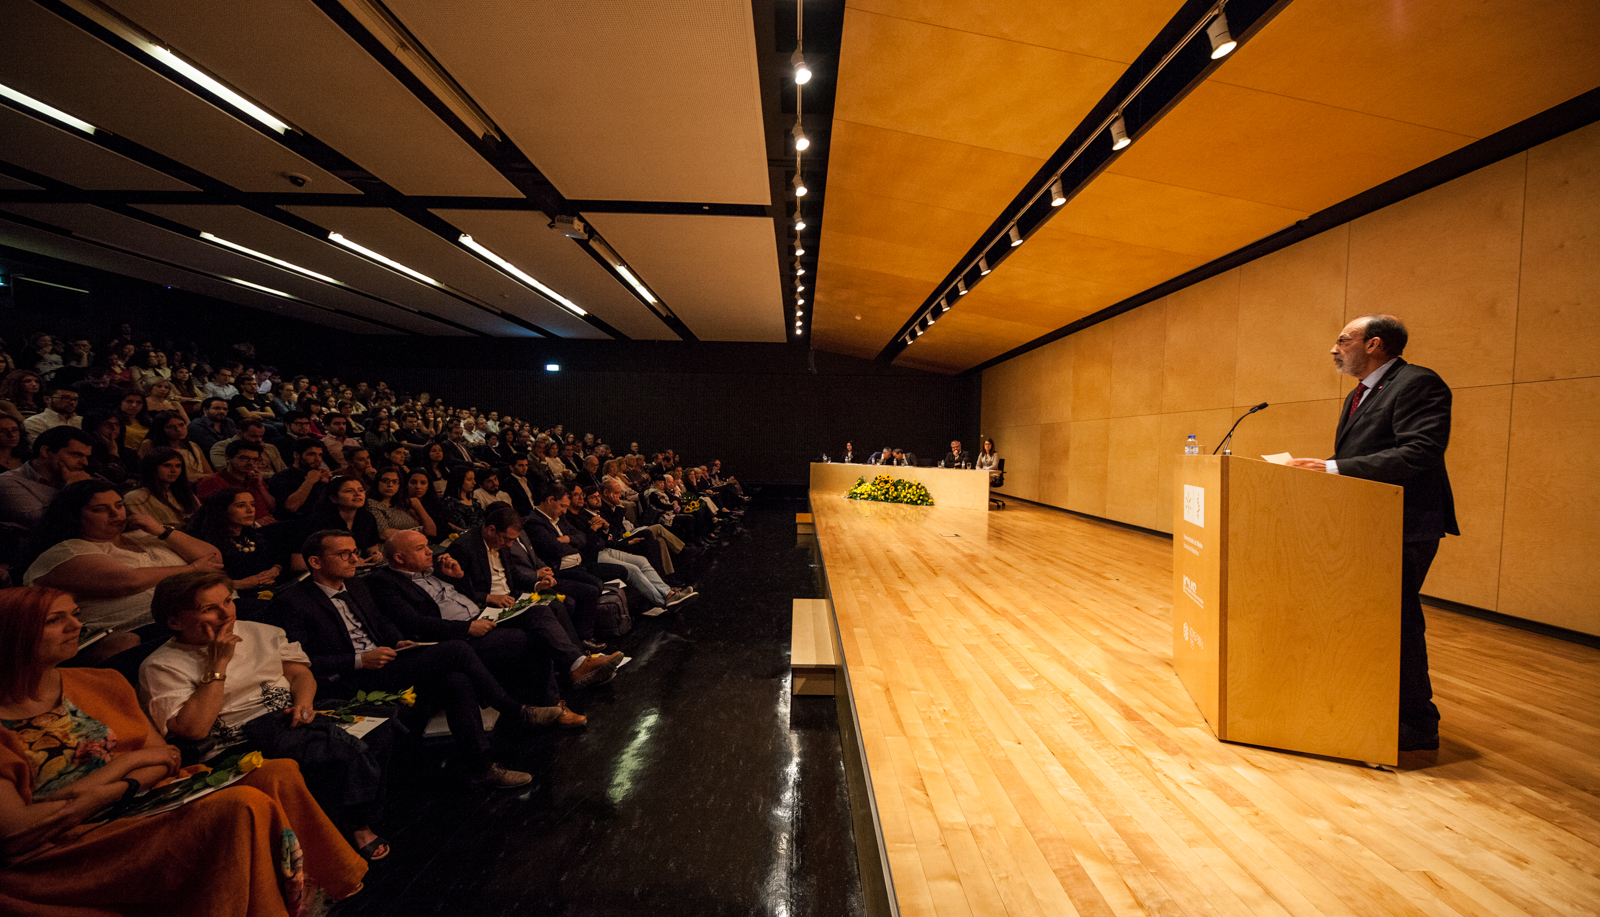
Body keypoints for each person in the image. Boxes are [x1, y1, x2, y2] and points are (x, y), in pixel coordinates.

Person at [0, 586, 367, 912]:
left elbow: (165, 758)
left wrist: (114, 779)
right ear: (13, 634)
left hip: (134, 796)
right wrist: (118, 780)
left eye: (76, 615)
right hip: (69, 840)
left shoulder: (102, 681)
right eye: (54, 620)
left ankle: (312, 891)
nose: (75, 627)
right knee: (243, 804)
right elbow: (16, 831)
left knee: (278, 771)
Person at [1287, 314, 1458, 753]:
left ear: (1375, 344)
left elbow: (1419, 451)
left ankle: (1417, 725)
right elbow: (1362, 453)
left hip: (1405, 523)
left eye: (1344, 339)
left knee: (1397, 621)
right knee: (1371, 620)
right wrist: (1320, 467)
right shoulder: (1359, 394)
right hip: (1367, 521)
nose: (1334, 348)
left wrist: (1333, 467)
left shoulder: (1418, 383)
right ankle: (1373, 704)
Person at [138, 571, 392, 861]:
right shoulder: (160, 666)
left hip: (292, 718)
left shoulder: (260, 631)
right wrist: (218, 662)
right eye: (209, 609)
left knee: (380, 725)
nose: (226, 614)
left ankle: (350, 819)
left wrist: (305, 704)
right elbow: (194, 729)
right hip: (240, 742)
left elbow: (299, 674)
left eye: (227, 601)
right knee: (331, 753)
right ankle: (349, 829)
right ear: (174, 621)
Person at [270, 531, 540, 788]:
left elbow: (379, 620)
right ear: (316, 562)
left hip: (387, 659)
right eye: (344, 554)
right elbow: (303, 661)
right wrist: (359, 660)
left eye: (354, 552)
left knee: (456, 681)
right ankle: (514, 709)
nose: (355, 559)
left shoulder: (354, 583)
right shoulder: (293, 602)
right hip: (351, 677)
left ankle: (482, 768)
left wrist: (398, 640)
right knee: (456, 649)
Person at [369, 531, 617, 701]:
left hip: (483, 616)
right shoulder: (386, 582)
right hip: (459, 633)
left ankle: (576, 665)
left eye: (427, 546)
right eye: (420, 548)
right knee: (529, 638)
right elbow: (414, 622)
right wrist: (466, 628)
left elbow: (463, 594)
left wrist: (456, 576)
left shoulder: (432, 570)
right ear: (400, 558)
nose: (428, 552)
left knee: (539, 609)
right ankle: (552, 703)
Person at [23, 480, 225, 661]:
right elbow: (127, 582)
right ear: (74, 516)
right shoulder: (67, 550)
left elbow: (214, 558)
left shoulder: (143, 535)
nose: (115, 513)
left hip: (196, 616)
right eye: (100, 509)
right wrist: (192, 569)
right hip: (139, 629)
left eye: (119, 505)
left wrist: (162, 531)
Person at [185, 488, 285, 593]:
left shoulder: (252, 534)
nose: (250, 510)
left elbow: (278, 556)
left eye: (252, 504)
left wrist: (276, 569)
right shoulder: (207, 542)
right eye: (241, 505)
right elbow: (204, 580)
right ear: (222, 510)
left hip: (273, 588)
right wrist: (242, 584)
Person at [0, 425, 94, 528]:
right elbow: (44, 522)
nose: (85, 463)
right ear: (45, 451)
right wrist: (74, 489)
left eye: (86, 457)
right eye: (76, 455)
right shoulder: (8, 481)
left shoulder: (78, 475)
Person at [291, 476, 382, 569]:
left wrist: (374, 555)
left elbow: (372, 546)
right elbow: (298, 563)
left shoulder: (367, 517)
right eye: (349, 491)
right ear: (334, 498)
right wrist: (348, 563)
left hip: (359, 571)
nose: (357, 494)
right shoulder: (317, 521)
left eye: (361, 490)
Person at [196, 440, 278, 525]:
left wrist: (260, 486)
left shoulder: (254, 479)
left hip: (270, 524)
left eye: (255, 459)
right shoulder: (212, 482)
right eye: (244, 458)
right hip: (244, 530)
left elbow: (273, 508)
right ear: (228, 458)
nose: (250, 463)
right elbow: (213, 517)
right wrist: (254, 523)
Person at [124, 448, 203, 527]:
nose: (174, 470)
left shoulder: (184, 492)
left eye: (178, 466)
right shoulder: (135, 497)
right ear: (152, 468)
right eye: (167, 465)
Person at [138, 411, 213, 483]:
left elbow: (209, 473)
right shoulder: (149, 444)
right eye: (171, 427)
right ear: (161, 429)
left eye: (181, 425)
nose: (178, 429)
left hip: (198, 484)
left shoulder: (193, 446)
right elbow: (145, 472)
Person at [268, 439, 332, 522]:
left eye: (320, 455)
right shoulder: (281, 478)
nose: (317, 459)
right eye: (311, 454)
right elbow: (291, 507)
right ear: (296, 455)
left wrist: (326, 483)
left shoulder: (322, 476)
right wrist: (309, 481)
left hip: (321, 521)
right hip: (295, 523)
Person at [367, 466, 437, 540]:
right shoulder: (372, 504)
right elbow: (385, 534)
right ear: (377, 482)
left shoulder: (401, 504)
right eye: (385, 480)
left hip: (414, 543)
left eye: (394, 482)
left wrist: (419, 507)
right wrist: (413, 534)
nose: (390, 485)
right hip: (391, 547)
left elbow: (431, 532)